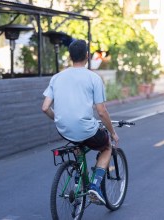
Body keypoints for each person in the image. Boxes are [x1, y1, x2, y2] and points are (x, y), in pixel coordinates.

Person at [42, 39, 119, 205]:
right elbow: (101, 112)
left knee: (78, 144)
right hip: (86, 130)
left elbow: (45, 107)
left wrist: (58, 119)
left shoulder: (56, 78)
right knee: (106, 147)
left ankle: (78, 179)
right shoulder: (93, 78)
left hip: (63, 129)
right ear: (87, 56)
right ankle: (95, 186)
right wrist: (112, 132)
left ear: (70, 56)